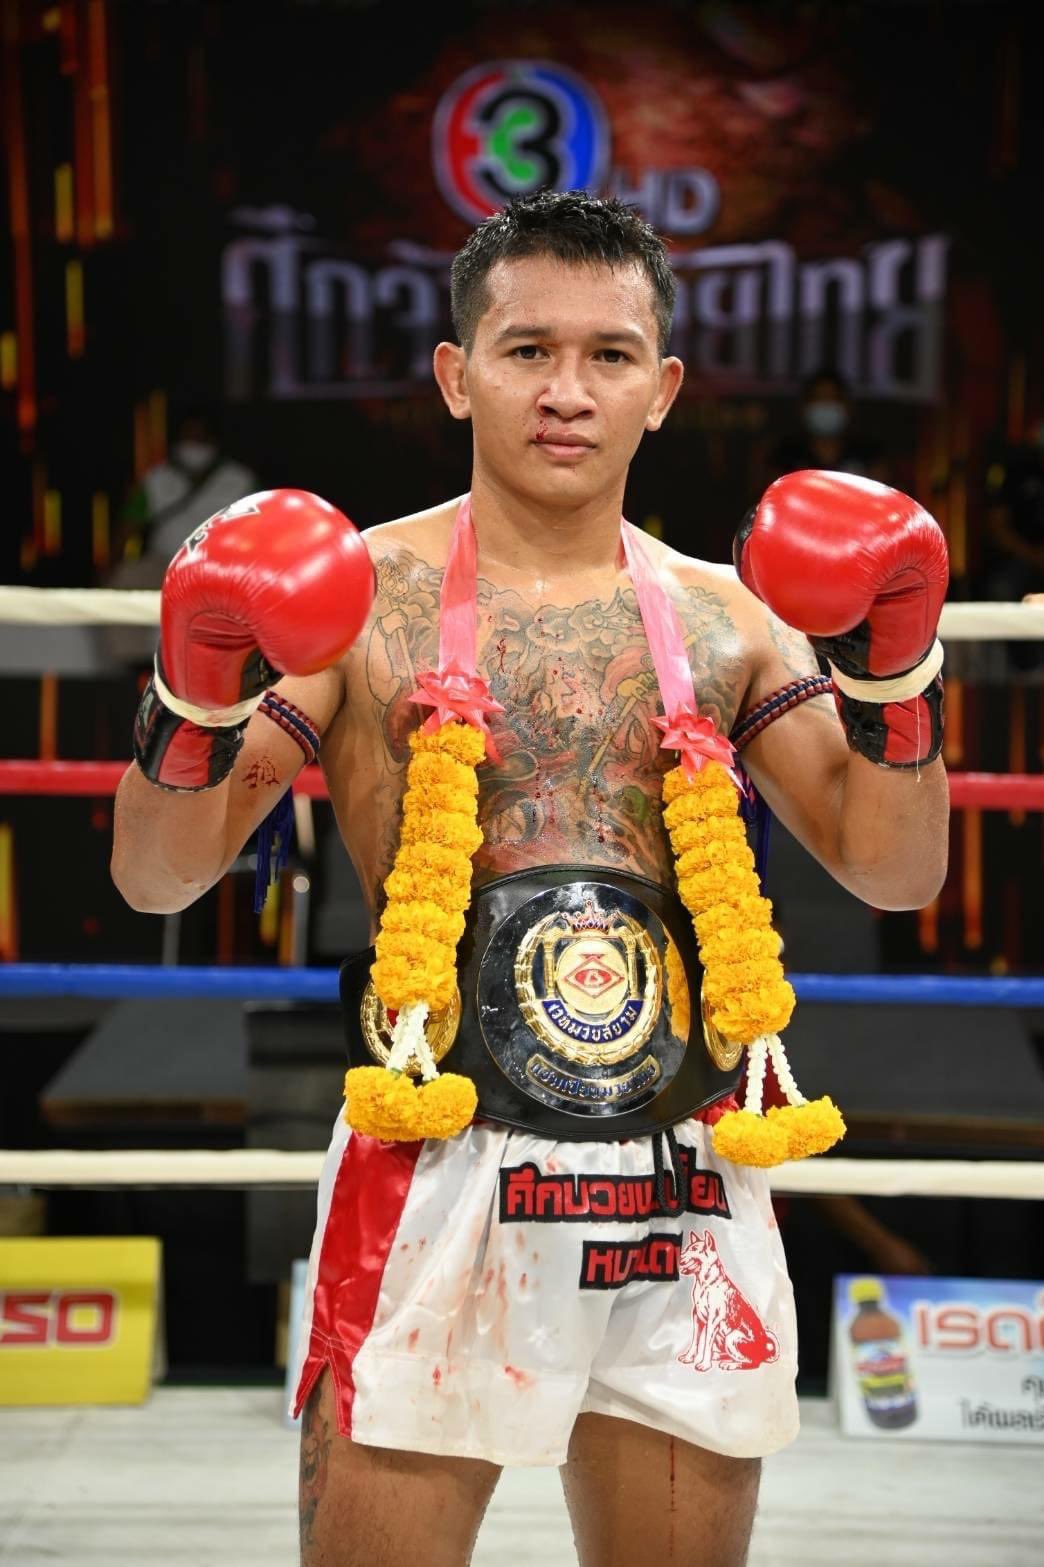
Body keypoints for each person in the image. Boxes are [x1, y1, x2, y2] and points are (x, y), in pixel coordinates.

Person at [111, 193, 949, 1567]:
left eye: (611, 355)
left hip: (680, 1160)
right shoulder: (365, 596)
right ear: (458, 372)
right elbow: (158, 876)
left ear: (664, 387)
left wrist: (903, 666)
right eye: (526, 349)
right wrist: (194, 688)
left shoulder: (729, 614)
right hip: (435, 1151)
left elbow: (896, 863)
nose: (568, 391)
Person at [110, 408, 258, 588]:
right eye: (188, 438)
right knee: (126, 577)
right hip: (164, 562)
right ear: (177, 440)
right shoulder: (156, 478)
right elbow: (127, 527)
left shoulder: (241, 479)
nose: (194, 445)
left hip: (219, 564)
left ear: (214, 441)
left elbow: (259, 529)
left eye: (200, 438)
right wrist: (110, 566)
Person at [768, 367, 888, 487]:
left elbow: (883, 495)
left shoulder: (869, 453)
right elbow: (772, 494)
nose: (826, 405)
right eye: (819, 399)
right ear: (804, 407)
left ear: (847, 406)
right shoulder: (786, 454)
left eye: (832, 399)